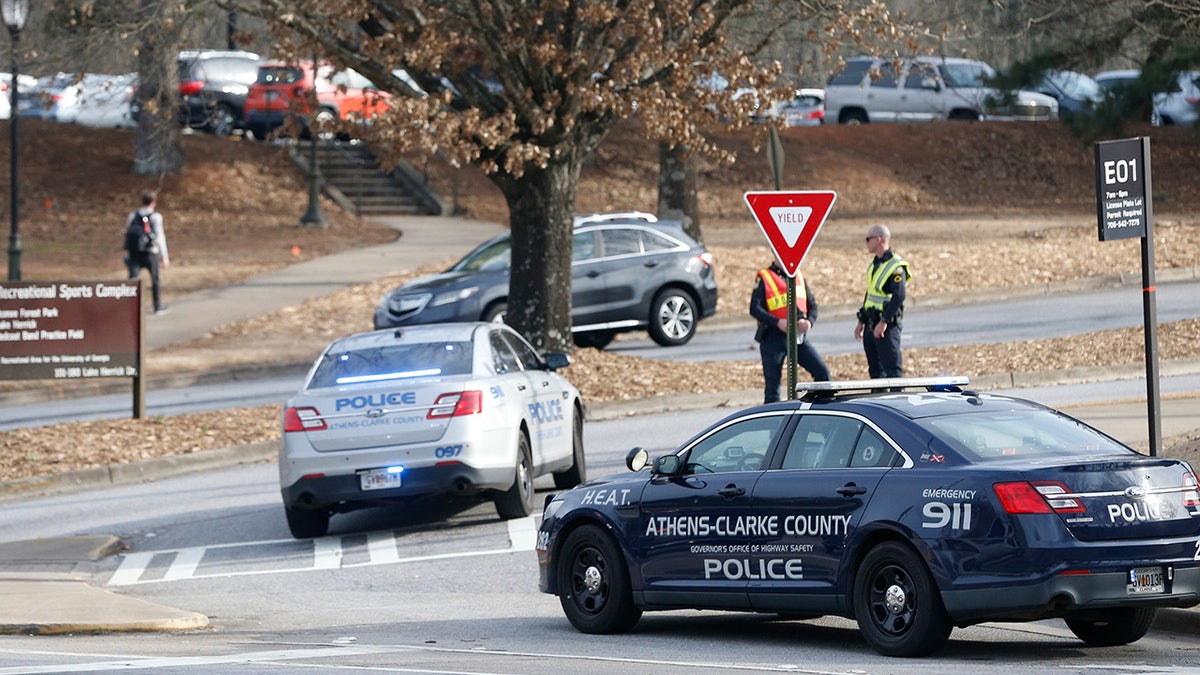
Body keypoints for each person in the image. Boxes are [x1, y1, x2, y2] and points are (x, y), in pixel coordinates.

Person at [749, 260, 830, 404]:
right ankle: (773, 422)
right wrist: (777, 322)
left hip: (797, 337)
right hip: (773, 337)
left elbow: (812, 305)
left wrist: (809, 321)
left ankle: (822, 410)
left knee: (822, 372)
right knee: (773, 388)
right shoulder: (765, 277)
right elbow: (754, 308)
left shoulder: (798, 275)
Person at [854, 224, 910, 378]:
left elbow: (899, 296)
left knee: (893, 373)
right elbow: (870, 294)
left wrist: (884, 322)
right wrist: (861, 321)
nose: (866, 243)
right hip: (871, 325)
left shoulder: (896, 266)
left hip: (886, 328)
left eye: (868, 239)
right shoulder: (875, 264)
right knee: (876, 373)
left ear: (878, 239)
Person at [124, 190, 171, 315]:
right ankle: (157, 306)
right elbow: (160, 237)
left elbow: (128, 232)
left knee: (133, 281)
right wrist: (164, 257)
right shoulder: (156, 217)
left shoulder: (133, 215)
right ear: (154, 202)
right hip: (150, 253)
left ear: (141, 201)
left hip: (134, 253)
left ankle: (130, 308)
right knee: (155, 280)